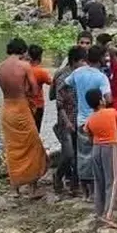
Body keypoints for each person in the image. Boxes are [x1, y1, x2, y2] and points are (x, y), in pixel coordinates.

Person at [0, 39, 47, 196]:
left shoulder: (0, 67)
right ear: (23, 50)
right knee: (33, 145)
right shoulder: (25, 66)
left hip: (7, 109)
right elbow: (34, 89)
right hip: (21, 108)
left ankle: (15, 188)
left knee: (12, 147)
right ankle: (33, 188)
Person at [67, 45, 112, 197]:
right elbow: (108, 99)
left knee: (82, 155)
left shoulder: (78, 72)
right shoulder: (101, 77)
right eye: (105, 56)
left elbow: (66, 84)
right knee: (96, 155)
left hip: (81, 120)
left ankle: (84, 190)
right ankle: (95, 190)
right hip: (97, 120)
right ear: (100, 59)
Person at [84, 88, 117, 227]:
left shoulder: (90, 119)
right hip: (110, 147)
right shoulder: (112, 112)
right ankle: (108, 215)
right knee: (113, 180)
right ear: (101, 101)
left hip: (96, 148)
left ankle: (99, 212)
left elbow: (88, 135)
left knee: (99, 181)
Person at [50, 47, 84, 194]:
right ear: (74, 61)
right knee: (69, 153)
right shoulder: (63, 77)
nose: (84, 64)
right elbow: (59, 103)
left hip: (79, 118)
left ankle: (74, 184)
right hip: (66, 120)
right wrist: (67, 121)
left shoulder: (82, 74)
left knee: (78, 153)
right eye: (82, 61)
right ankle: (58, 176)